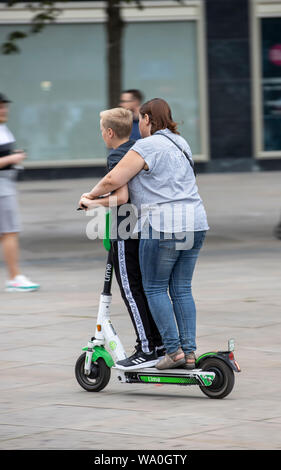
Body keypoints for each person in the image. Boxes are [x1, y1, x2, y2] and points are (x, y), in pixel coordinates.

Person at [79, 98, 209, 370]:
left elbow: (114, 181)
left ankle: (171, 352)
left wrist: (90, 198)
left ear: (148, 119)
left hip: (164, 225)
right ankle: (189, 352)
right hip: (195, 221)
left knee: (153, 287)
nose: (139, 126)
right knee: (182, 289)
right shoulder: (180, 142)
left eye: (141, 120)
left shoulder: (146, 145)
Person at [80, 107, 164, 369]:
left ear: (108, 132)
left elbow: (121, 197)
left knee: (130, 289)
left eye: (100, 131)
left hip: (126, 231)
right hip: (147, 226)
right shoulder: (139, 146)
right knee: (146, 288)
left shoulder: (117, 155)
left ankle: (147, 348)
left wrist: (90, 202)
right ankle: (159, 342)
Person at [0, 93, 40, 292]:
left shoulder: (3, 128)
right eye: (0, 107)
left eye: (5, 107)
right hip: (2, 188)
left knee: (7, 232)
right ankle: (14, 277)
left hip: (6, 185)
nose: (4, 110)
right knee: (9, 232)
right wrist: (12, 159)